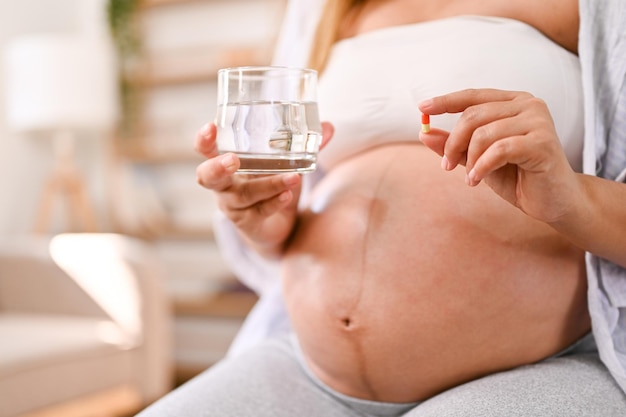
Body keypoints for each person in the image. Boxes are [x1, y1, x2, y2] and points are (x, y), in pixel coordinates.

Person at [137, 0, 626, 415]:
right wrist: (265, 224)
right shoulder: (329, 10)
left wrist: (574, 198)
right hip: (311, 366)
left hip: (540, 364)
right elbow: (293, 191)